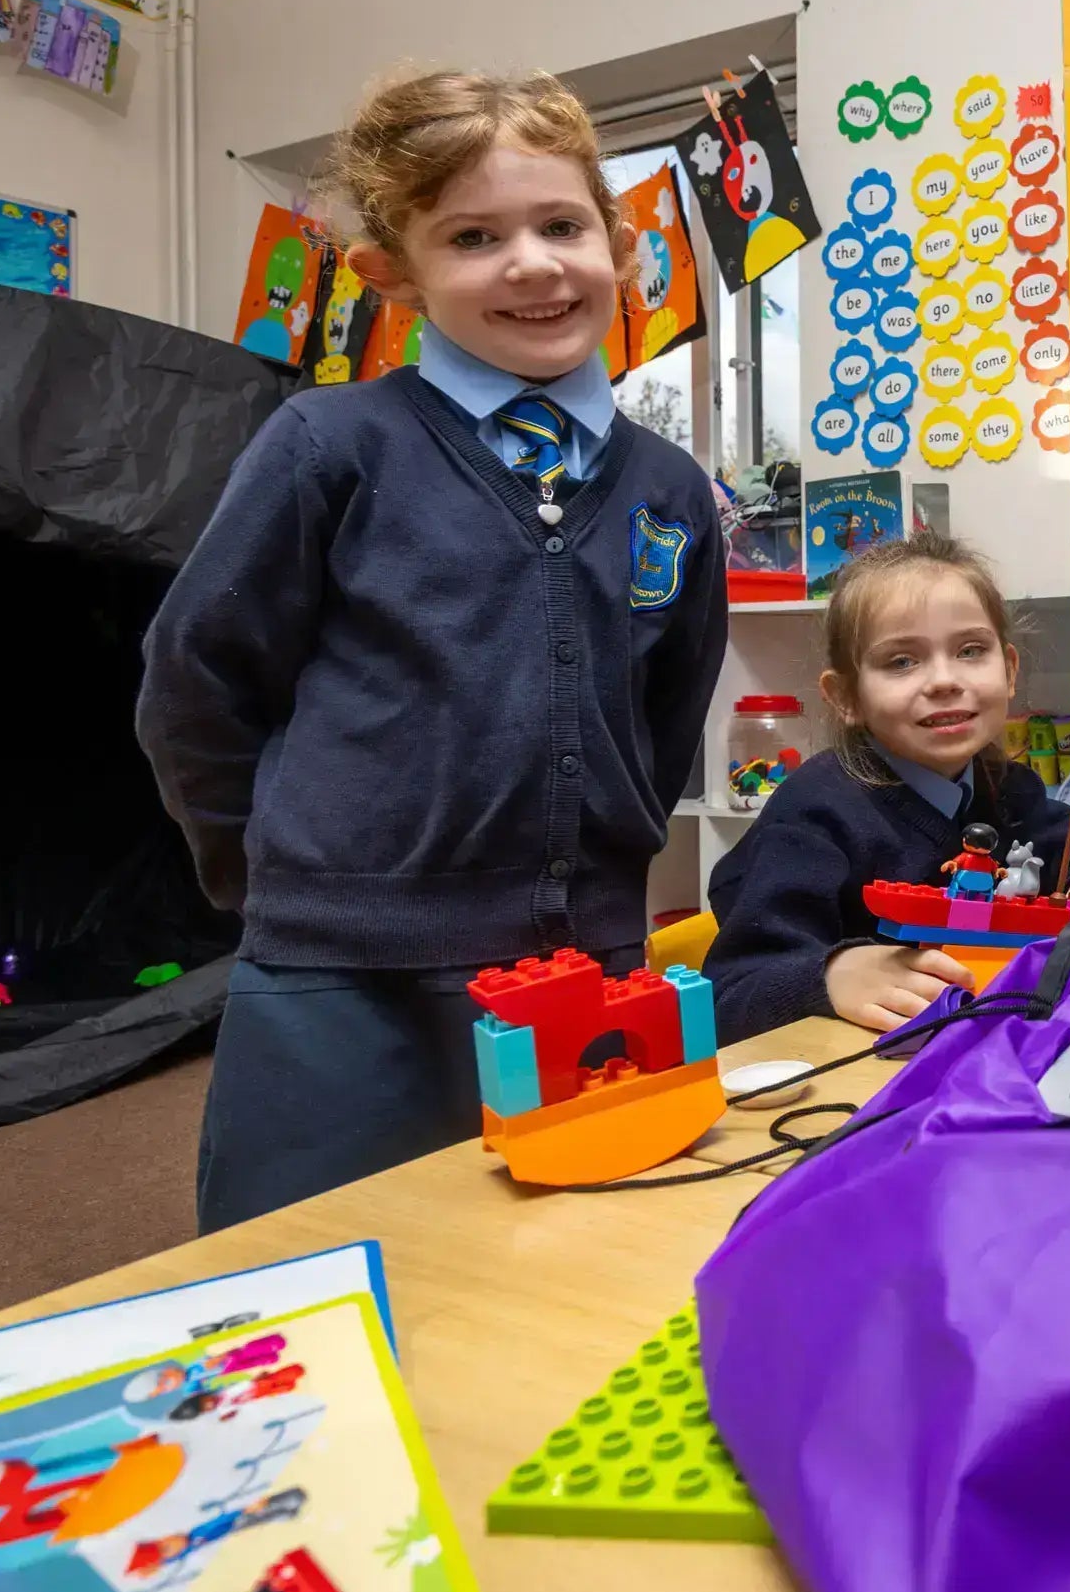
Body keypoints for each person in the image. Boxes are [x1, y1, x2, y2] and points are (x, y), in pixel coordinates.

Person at [137, 69, 728, 1231]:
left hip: (591, 972)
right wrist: (266, 872)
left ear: (620, 245)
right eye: (473, 236)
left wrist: (610, 871)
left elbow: (664, 714)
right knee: (304, 1279)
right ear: (391, 275)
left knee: (568, 1273)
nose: (531, 263)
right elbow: (196, 681)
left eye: (562, 225)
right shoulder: (328, 444)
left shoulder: (669, 489)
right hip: (342, 976)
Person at [704, 533, 1070, 1034]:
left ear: (1008, 671)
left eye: (970, 650)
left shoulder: (1001, 785)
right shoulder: (813, 813)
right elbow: (730, 993)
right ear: (845, 697)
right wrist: (829, 976)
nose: (943, 680)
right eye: (901, 661)